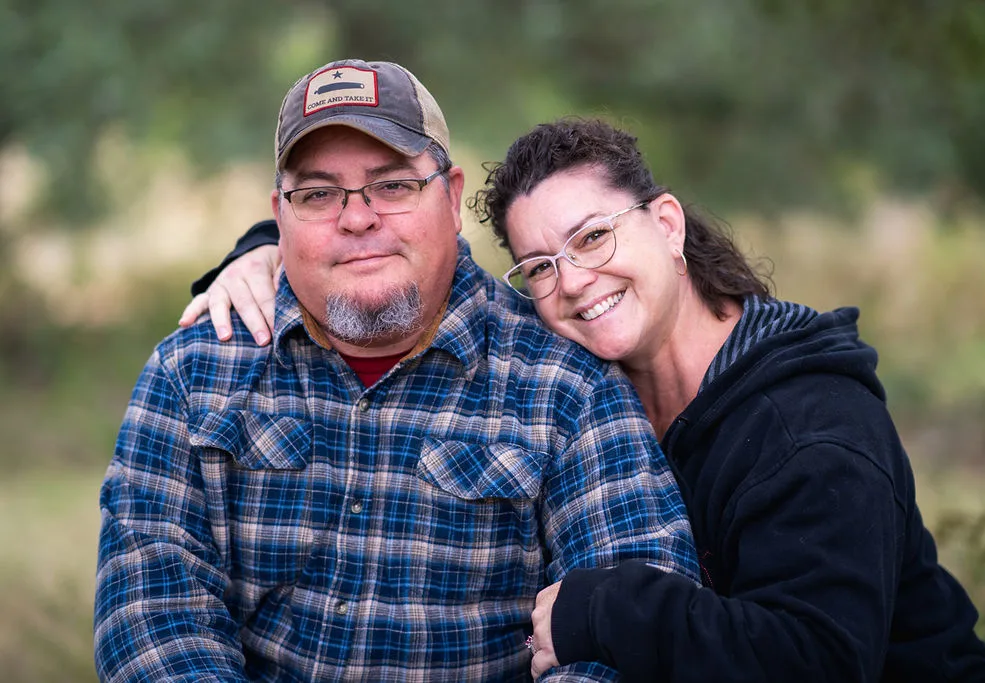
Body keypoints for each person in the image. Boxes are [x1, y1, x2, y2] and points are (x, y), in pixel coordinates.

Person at [182, 117, 985, 683]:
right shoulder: (591, 378)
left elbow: (822, 659)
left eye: (593, 237)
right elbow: (412, 248)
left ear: (667, 223)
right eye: (540, 265)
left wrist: (605, 607)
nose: (574, 281)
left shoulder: (805, 429)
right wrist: (264, 253)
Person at [96, 61, 704, 683]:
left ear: (449, 194)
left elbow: (632, 623)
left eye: (392, 186)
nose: (356, 219)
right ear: (279, 215)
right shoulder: (194, 373)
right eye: (318, 194)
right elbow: (153, 624)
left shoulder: (565, 385)